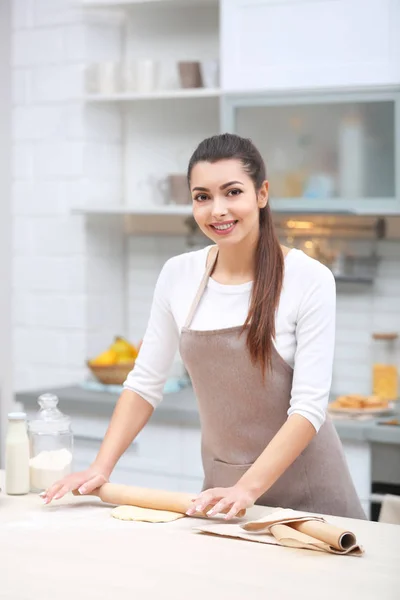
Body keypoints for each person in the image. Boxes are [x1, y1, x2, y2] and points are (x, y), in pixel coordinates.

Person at [43, 133, 365, 520]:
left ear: (261, 194)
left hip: (313, 504)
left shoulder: (308, 278)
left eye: (232, 192)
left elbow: (309, 408)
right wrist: (100, 468)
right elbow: (144, 384)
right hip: (223, 497)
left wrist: (247, 489)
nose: (218, 210)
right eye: (202, 197)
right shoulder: (178, 274)